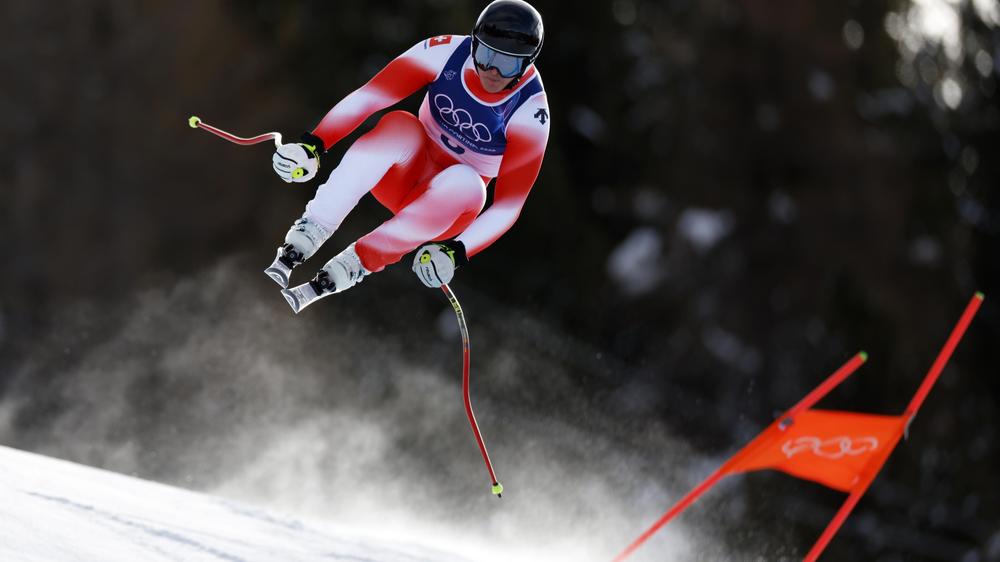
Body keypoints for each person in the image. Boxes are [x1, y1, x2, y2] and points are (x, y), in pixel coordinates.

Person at [266, 0, 551, 313]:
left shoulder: (529, 112)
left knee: (469, 184)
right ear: (473, 43)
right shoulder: (446, 54)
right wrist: (315, 144)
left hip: (445, 209)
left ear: (526, 64)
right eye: (485, 56)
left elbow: (509, 206)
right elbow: (371, 96)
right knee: (400, 124)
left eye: (507, 64)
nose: (492, 71)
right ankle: (310, 229)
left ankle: (355, 263)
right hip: (402, 173)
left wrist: (456, 251)